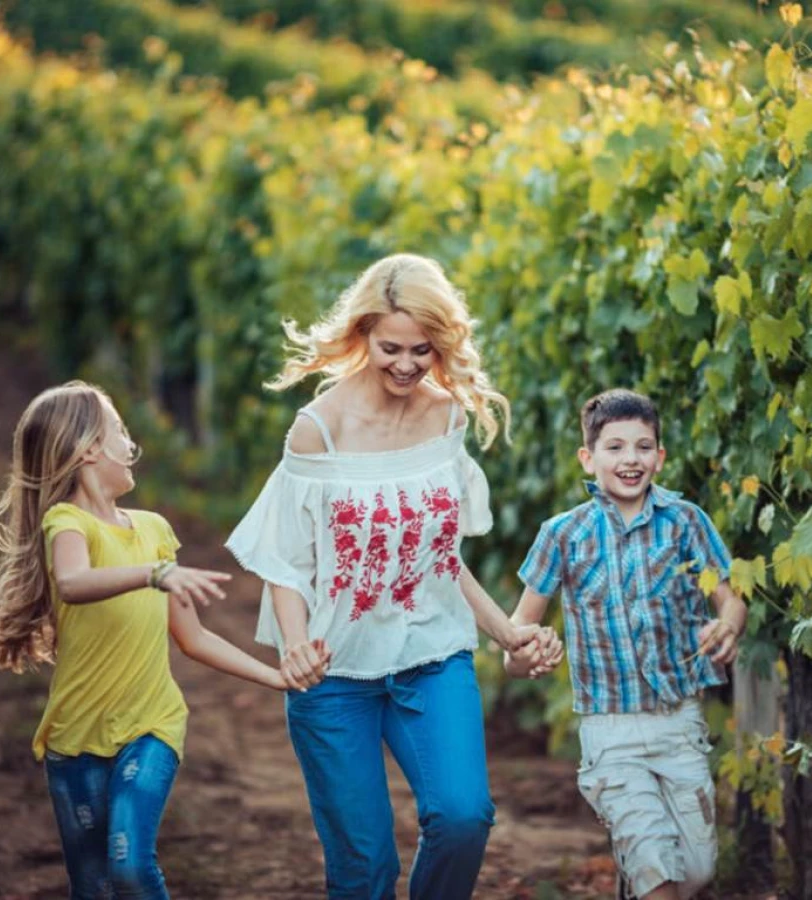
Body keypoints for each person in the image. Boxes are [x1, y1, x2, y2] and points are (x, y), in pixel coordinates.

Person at [226, 253, 561, 900]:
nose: (407, 364)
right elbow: (287, 561)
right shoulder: (317, 431)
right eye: (390, 348)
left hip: (430, 655)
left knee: (464, 818)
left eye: (423, 349)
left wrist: (506, 632)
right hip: (333, 672)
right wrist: (295, 647)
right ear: (360, 337)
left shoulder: (446, 417)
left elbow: (437, 556)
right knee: (364, 870)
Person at [0, 380, 326, 899]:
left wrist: (275, 677)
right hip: (75, 738)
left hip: (151, 726)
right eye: (119, 429)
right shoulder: (67, 522)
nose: (129, 442)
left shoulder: (155, 530)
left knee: (131, 866)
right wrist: (154, 575)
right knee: (92, 887)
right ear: (89, 448)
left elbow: (195, 638)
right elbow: (73, 583)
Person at [505, 388, 746, 900]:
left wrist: (727, 624)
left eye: (642, 447)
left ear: (660, 456)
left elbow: (733, 601)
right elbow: (517, 635)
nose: (630, 459)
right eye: (614, 448)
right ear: (588, 459)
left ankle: (634, 882)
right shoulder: (562, 534)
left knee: (696, 871)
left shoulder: (686, 521)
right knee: (658, 872)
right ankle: (642, 877)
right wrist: (528, 651)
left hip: (680, 725)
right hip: (610, 732)